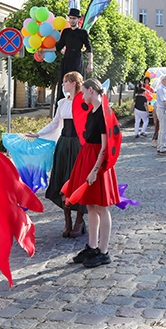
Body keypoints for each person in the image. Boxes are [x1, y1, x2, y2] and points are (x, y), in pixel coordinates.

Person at [66, 79, 120, 268]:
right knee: (90, 205)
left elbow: (105, 146)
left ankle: (104, 252)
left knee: (101, 206)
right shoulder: (93, 111)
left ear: (91, 90)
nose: (82, 96)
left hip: (98, 161)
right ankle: (92, 245)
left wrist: (95, 170)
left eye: (83, 92)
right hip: (87, 157)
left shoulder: (104, 114)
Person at [25, 72, 86, 238]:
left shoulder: (83, 102)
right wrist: (38, 134)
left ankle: (80, 220)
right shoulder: (62, 102)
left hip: (78, 144)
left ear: (73, 83)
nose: (63, 84)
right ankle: (67, 220)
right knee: (62, 181)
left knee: (77, 181)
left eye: (65, 82)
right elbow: (55, 124)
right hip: (64, 143)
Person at [55, 8, 92, 80]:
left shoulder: (83, 32)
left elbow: (89, 47)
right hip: (66, 59)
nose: (72, 20)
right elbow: (58, 47)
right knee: (65, 82)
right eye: (70, 18)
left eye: (74, 18)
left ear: (78, 19)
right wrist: (43, 49)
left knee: (77, 82)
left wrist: (90, 63)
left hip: (77, 60)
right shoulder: (66, 31)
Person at [154, 75, 166, 155]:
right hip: (162, 109)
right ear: (163, 80)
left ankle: (160, 146)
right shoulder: (161, 89)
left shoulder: (164, 89)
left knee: (162, 129)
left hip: (164, 109)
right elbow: (164, 102)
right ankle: (162, 147)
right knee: (164, 129)